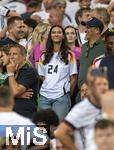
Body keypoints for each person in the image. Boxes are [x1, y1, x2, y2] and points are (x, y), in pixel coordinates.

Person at [54, 68, 109, 150]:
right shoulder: (82, 109)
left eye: (105, 84)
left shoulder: (108, 105)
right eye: (99, 84)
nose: (102, 87)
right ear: (92, 88)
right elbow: (60, 133)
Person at [38, 25, 77, 120]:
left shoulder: (70, 55)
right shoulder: (43, 55)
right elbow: (42, 76)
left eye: (59, 32)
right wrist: (50, 84)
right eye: (53, 32)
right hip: (44, 96)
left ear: (63, 36)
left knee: (58, 129)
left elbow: (74, 77)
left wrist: (66, 93)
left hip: (61, 97)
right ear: (50, 36)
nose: (56, 34)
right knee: (43, 129)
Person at [6, 44, 38, 118]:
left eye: (14, 54)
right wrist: (16, 95)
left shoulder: (29, 71)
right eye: (9, 54)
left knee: (44, 129)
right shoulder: (11, 72)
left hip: (25, 116)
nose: (11, 57)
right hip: (10, 115)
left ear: (23, 57)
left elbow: (15, 91)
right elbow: (3, 94)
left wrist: (10, 73)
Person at [78, 17, 106, 88]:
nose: (85, 30)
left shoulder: (105, 47)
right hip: (81, 92)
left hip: (95, 92)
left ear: (97, 30)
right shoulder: (83, 46)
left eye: (88, 27)